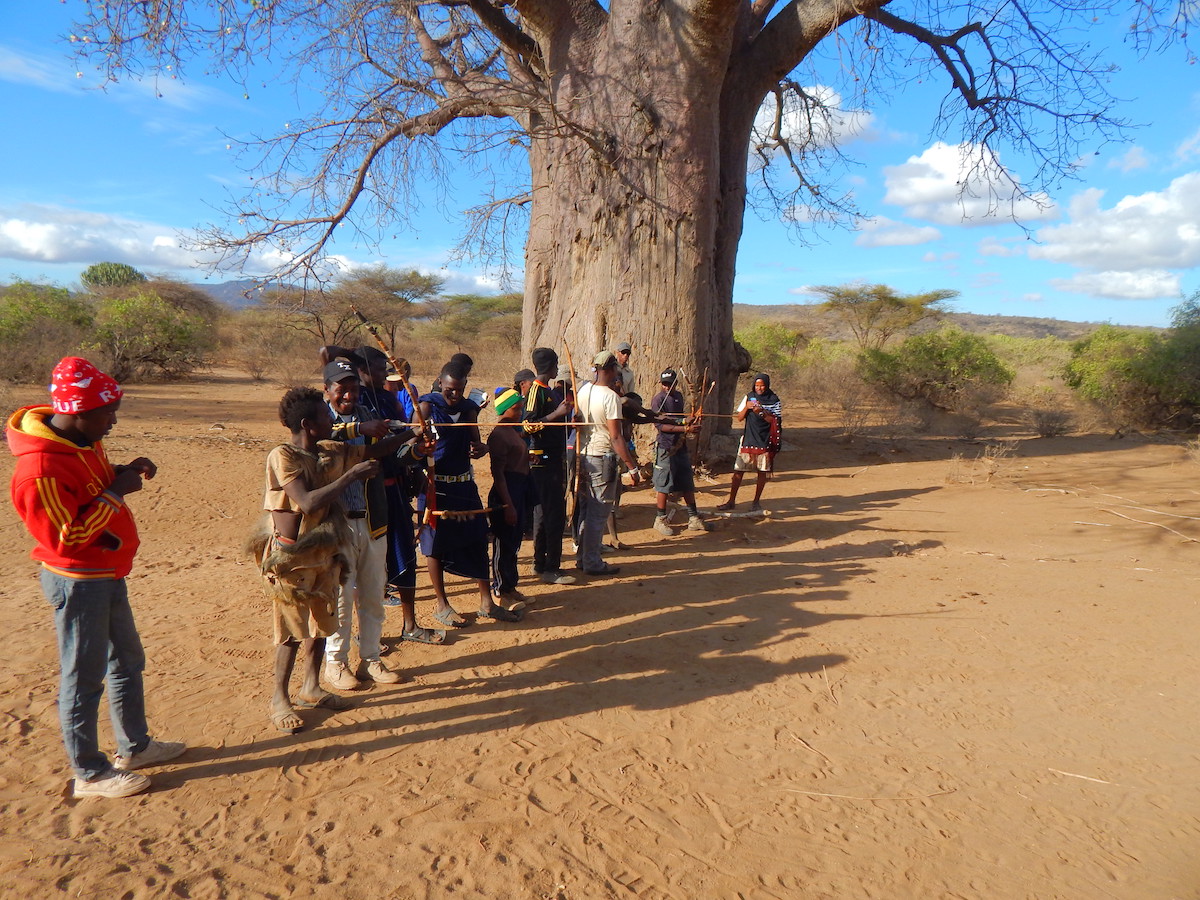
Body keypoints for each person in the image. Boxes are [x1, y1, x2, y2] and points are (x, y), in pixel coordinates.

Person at [7, 357, 186, 799]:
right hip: (77, 581)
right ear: (79, 413)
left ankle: (135, 747)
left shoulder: (83, 442)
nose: (113, 422)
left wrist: (122, 471)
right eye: (108, 414)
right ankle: (88, 773)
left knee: (126, 661)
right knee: (83, 678)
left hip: (106, 572)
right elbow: (66, 537)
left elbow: (88, 488)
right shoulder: (39, 470)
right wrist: (115, 492)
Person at [255, 387, 430, 732]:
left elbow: (373, 450)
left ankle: (311, 687)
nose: (330, 420)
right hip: (291, 558)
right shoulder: (283, 456)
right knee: (291, 632)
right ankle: (279, 700)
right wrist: (351, 476)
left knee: (321, 624)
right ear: (307, 424)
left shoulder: (328, 450)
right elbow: (307, 502)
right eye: (324, 416)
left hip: (323, 553)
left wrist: (412, 433)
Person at [322, 358, 407, 690]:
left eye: (354, 389)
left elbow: (385, 454)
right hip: (337, 524)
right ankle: (336, 663)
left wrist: (413, 440)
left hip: (372, 520)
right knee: (341, 598)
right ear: (327, 390)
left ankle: (370, 659)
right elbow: (322, 441)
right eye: (341, 389)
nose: (349, 395)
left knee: (372, 594)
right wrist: (360, 430)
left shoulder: (367, 414)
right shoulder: (320, 418)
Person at [417, 361, 521, 625]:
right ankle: (442, 605)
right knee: (434, 545)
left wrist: (480, 449)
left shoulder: (468, 409)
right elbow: (413, 445)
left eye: (460, 389)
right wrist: (422, 444)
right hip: (436, 486)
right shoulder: (426, 407)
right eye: (450, 389)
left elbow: (477, 443)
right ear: (440, 383)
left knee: (477, 538)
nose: (454, 394)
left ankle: (487, 603)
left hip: (464, 484)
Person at [574, 351, 639, 576]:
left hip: (583, 456)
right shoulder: (610, 397)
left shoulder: (583, 390)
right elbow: (616, 436)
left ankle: (583, 558)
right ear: (611, 369)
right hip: (602, 457)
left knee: (586, 510)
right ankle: (592, 562)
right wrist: (632, 467)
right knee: (598, 513)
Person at [524, 349, 576, 585]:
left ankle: (543, 564)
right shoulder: (536, 390)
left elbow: (555, 424)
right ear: (550, 366)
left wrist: (568, 420)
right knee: (551, 515)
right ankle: (550, 568)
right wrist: (556, 414)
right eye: (556, 364)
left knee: (550, 514)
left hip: (554, 458)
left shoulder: (549, 392)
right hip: (542, 460)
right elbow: (527, 425)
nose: (557, 368)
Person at [487, 388, 532, 609]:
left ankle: (510, 587)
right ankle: (498, 590)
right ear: (505, 410)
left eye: (520, 407)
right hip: (506, 492)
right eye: (516, 408)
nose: (520, 411)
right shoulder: (498, 435)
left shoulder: (513, 430)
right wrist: (508, 505)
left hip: (519, 489)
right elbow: (498, 474)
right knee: (503, 543)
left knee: (513, 543)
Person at [650, 369, 708, 535]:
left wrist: (690, 421)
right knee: (663, 484)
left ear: (676, 383)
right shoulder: (658, 400)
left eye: (670, 384)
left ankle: (693, 517)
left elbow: (680, 418)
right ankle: (660, 519)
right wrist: (685, 427)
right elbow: (661, 425)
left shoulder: (679, 397)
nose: (667, 387)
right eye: (664, 384)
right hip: (666, 447)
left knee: (686, 481)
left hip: (680, 445)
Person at [717, 373, 783, 513]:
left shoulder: (774, 400)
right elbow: (740, 417)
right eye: (757, 385)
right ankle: (731, 501)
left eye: (762, 385)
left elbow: (774, 421)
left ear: (767, 385)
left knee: (762, 472)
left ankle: (756, 502)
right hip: (748, 439)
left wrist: (761, 412)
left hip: (764, 440)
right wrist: (747, 407)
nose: (759, 388)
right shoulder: (749, 396)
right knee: (738, 471)